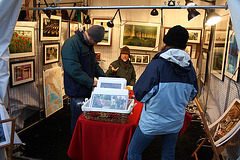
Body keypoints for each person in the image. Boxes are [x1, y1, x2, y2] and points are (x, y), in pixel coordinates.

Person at [127, 25, 198, 160]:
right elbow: (192, 95)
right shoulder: (190, 69)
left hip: (152, 122)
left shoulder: (157, 65)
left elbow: (140, 94)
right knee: (168, 154)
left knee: (134, 151)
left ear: (166, 43)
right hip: (175, 121)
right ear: (184, 46)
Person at [61, 25, 106, 134]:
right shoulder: (71, 44)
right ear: (90, 36)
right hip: (77, 91)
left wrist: (106, 79)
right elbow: (74, 70)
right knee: (78, 121)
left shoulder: (88, 44)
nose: (96, 44)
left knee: (86, 120)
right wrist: (92, 82)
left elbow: (94, 65)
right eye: (95, 42)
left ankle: (84, 143)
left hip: (87, 89)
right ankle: (75, 147)